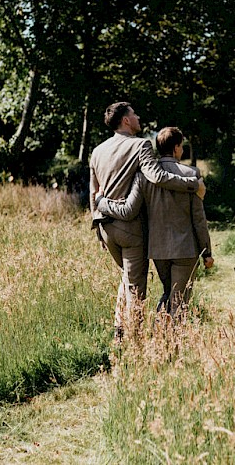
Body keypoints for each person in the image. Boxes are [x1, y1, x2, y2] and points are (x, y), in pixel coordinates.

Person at [89, 103, 203, 340]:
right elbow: (157, 176)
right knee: (136, 287)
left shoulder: (97, 151)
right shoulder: (140, 145)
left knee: (126, 277)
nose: (138, 116)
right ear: (126, 121)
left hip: (105, 226)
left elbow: (94, 192)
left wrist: (98, 229)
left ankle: (120, 330)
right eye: (133, 113)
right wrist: (193, 184)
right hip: (130, 227)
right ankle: (135, 341)